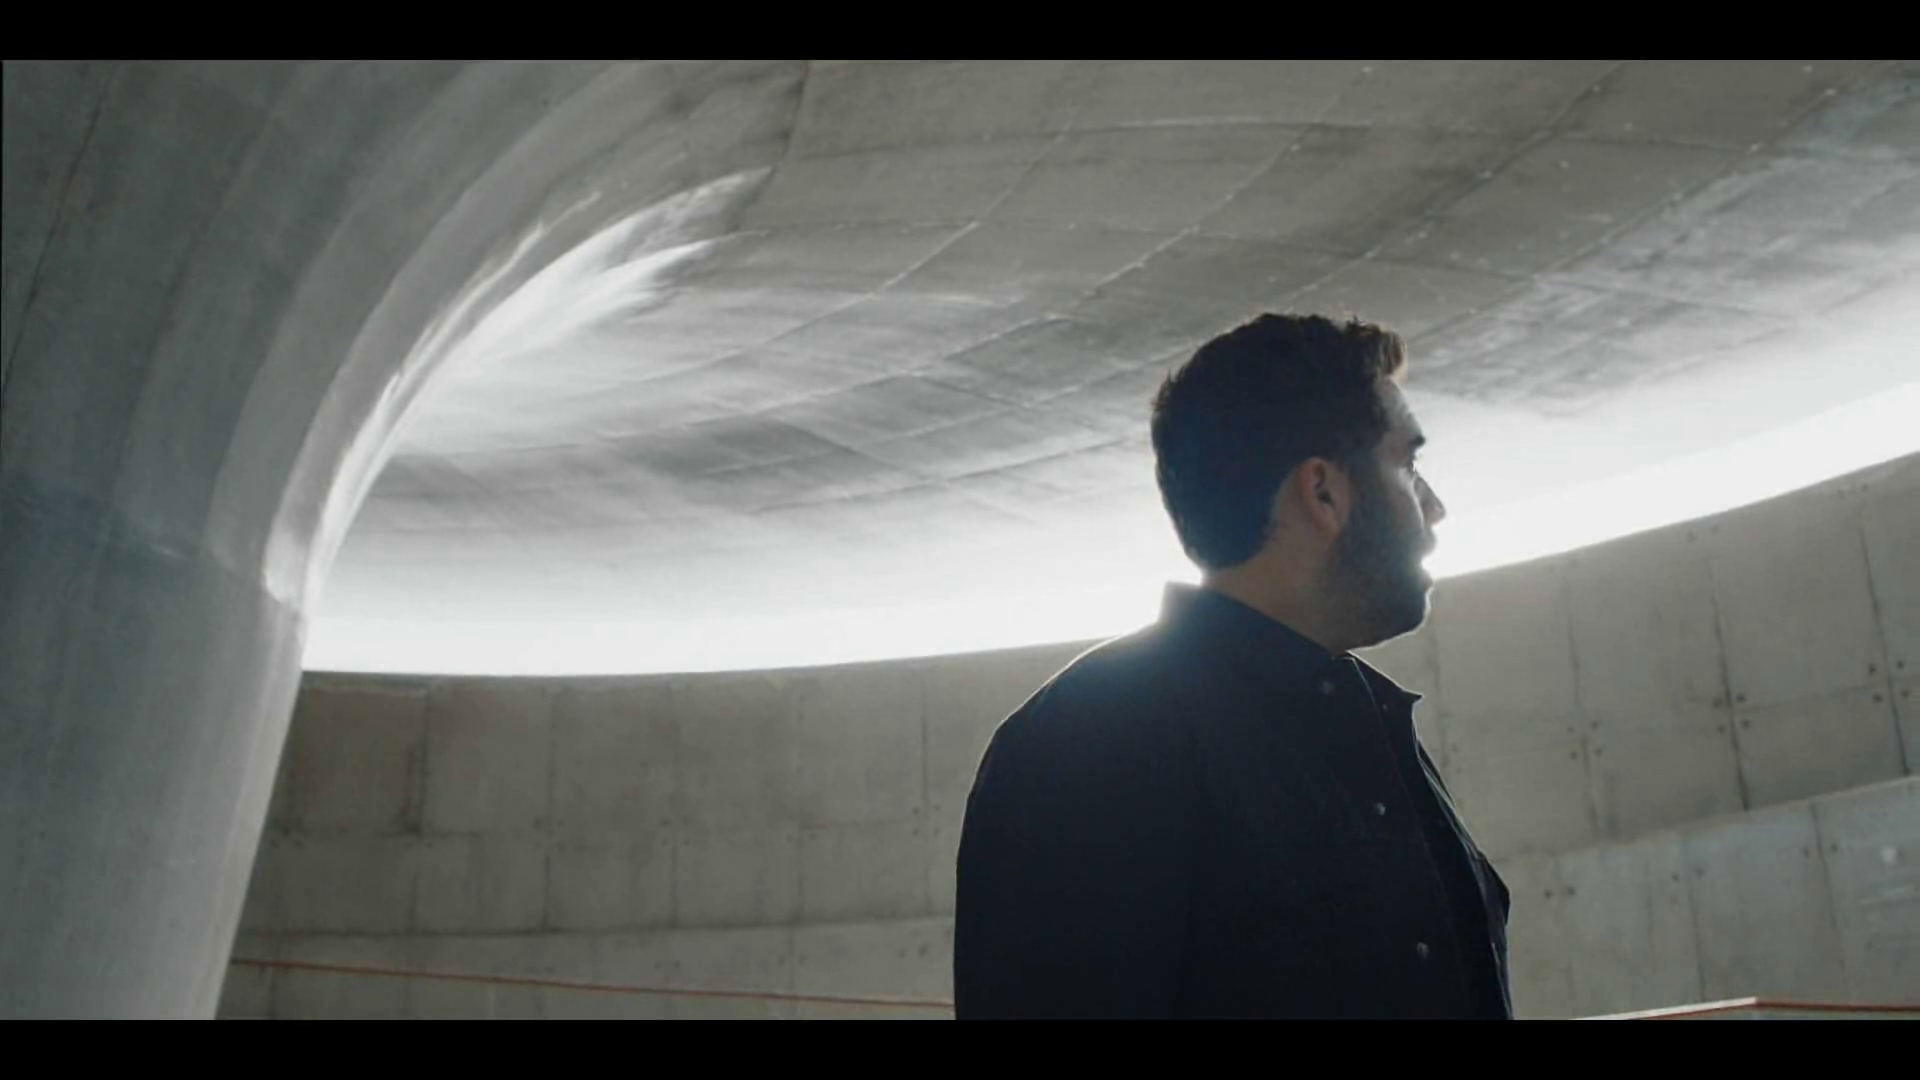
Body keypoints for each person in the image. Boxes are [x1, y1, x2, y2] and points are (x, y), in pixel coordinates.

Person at [953, 314, 1510, 1019]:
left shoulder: (1370, 720)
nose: (1435, 508)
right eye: (1409, 466)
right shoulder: (1087, 740)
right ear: (1323, 492)